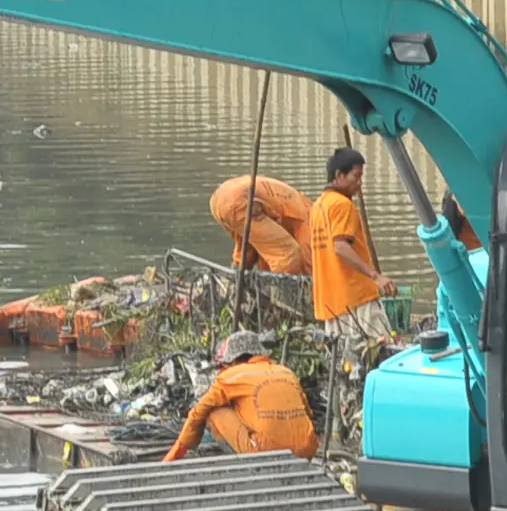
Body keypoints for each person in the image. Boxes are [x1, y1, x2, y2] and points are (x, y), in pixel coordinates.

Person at [163, 332, 317, 462]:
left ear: (233, 359)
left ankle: (247, 465)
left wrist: (171, 458)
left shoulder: (230, 375)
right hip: (307, 448)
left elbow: (198, 413)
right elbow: (308, 413)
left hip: (265, 451)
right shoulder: (285, 371)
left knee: (213, 411)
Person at [306, 147, 394, 346]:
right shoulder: (343, 206)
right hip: (356, 298)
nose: (360, 183)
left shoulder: (318, 206)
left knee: (348, 361)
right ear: (339, 175)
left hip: (331, 302)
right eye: (356, 176)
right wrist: (375, 276)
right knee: (381, 349)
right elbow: (340, 247)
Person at [208, 174, 310, 277]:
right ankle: (280, 292)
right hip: (240, 201)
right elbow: (308, 266)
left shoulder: (303, 206)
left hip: (221, 198)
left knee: (248, 249)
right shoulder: (310, 223)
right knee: (288, 254)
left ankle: (235, 283)